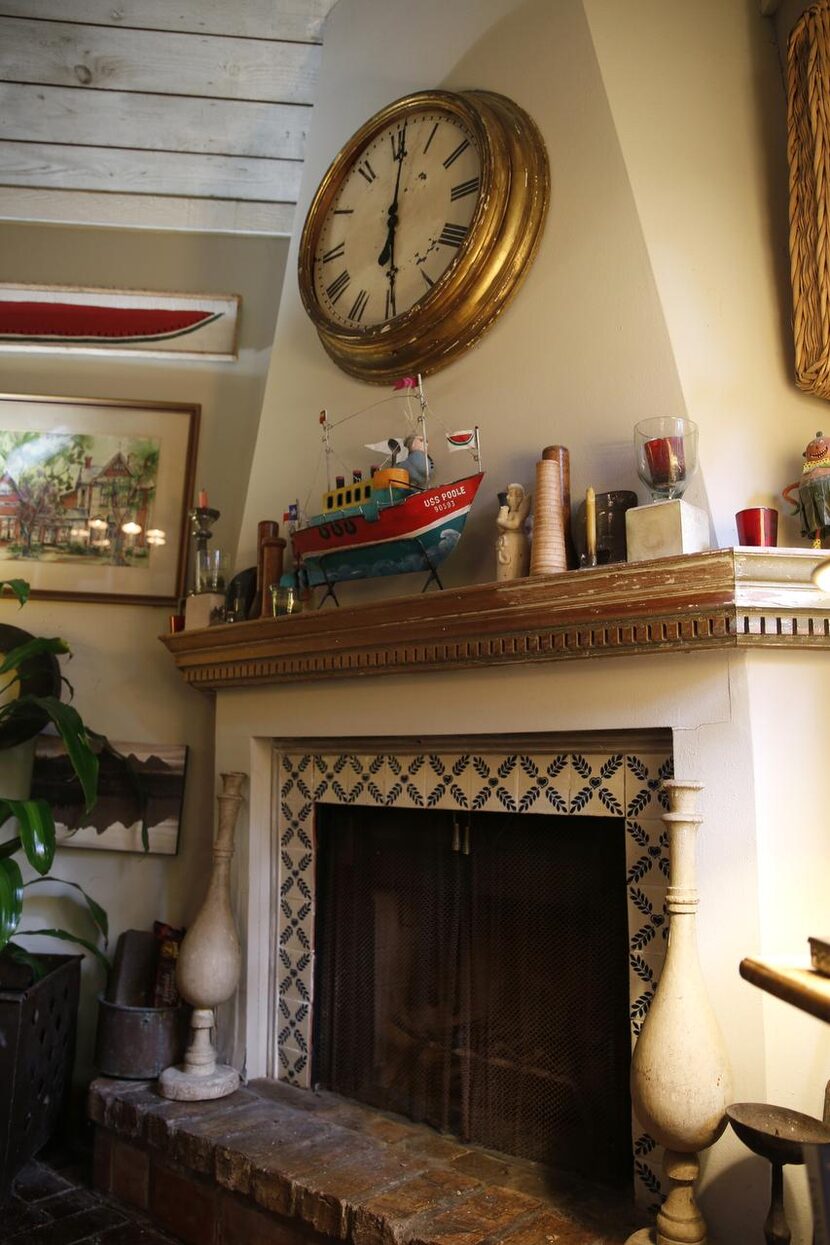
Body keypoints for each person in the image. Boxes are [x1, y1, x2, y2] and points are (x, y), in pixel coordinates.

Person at [496, 482, 532, 580]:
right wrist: (503, 509)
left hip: (516, 541)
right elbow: (500, 527)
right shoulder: (508, 513)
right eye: (509, 495)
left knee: (515, 568)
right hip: (505, 544)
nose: (509, 498)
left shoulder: (519, 515)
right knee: (504, 571)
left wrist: (501, 520)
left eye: (513, 495)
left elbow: (515, 524)